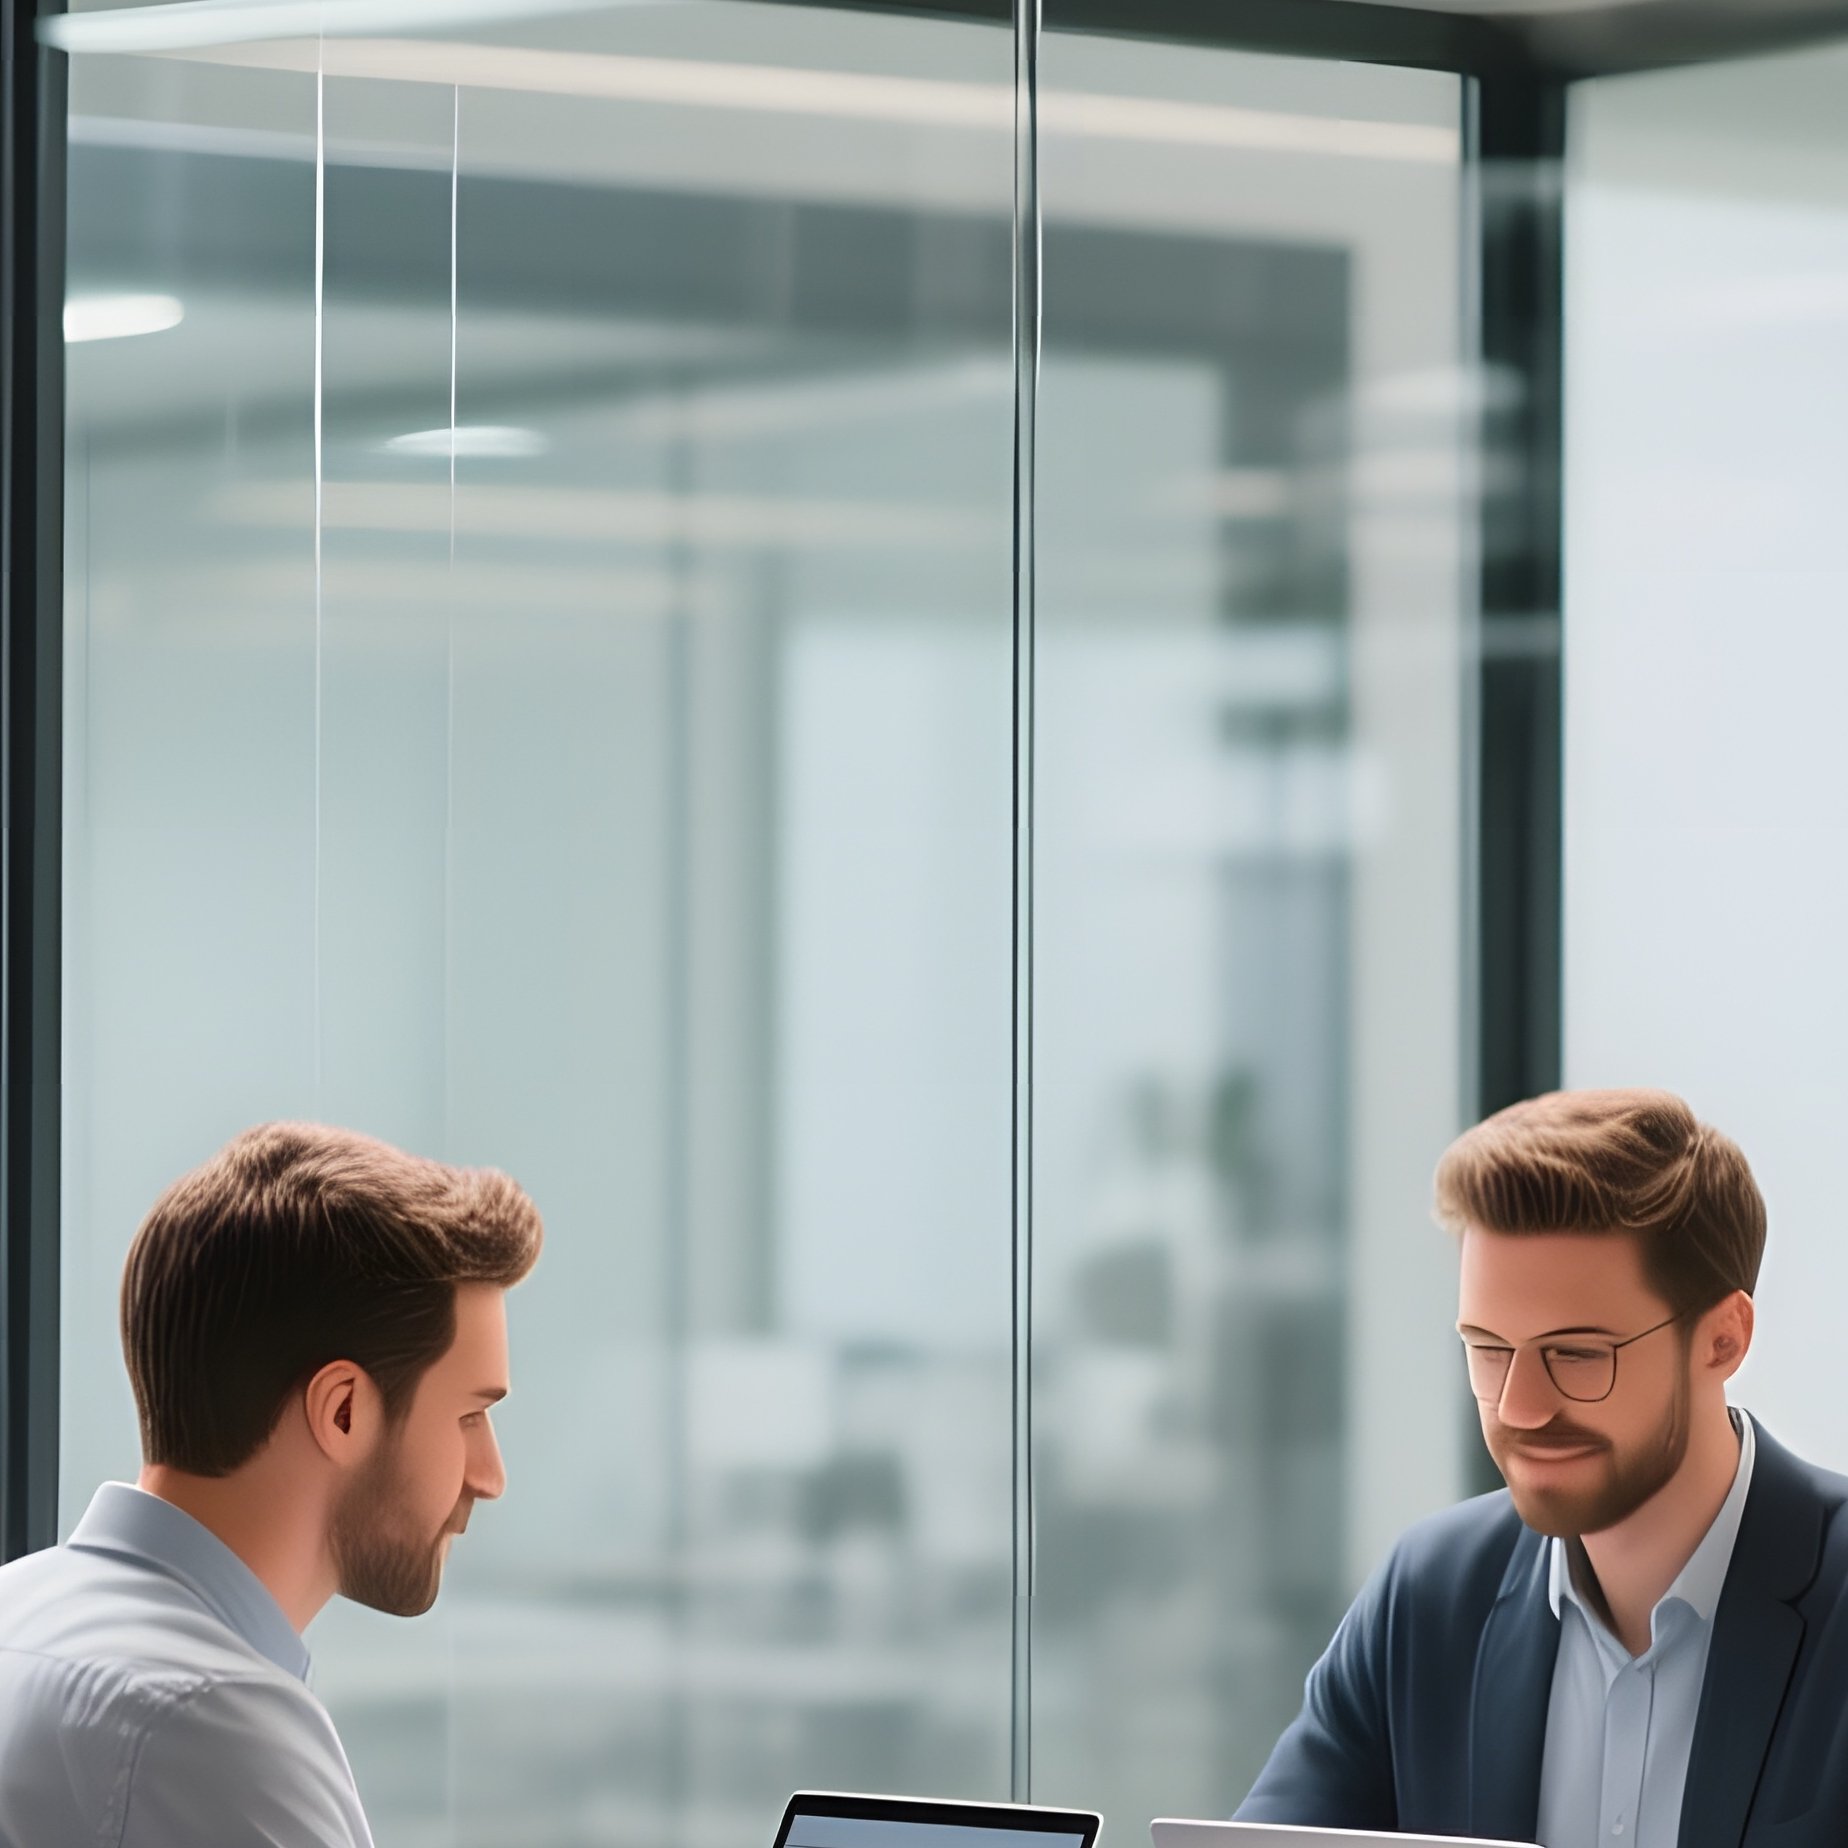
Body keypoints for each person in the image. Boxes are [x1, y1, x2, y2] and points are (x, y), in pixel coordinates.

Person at [1239, 1088, 1848, 1848]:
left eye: (1577, 1354)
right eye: (1489, 1349)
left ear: (1722, 1340)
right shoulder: (1428, 1596)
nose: (1520, 1408)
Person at [0, 1122, 543, 1846]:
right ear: (343, 1411)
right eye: (471, 1415)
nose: (492, 1476)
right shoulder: (215, 1723)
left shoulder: (17, 1615)